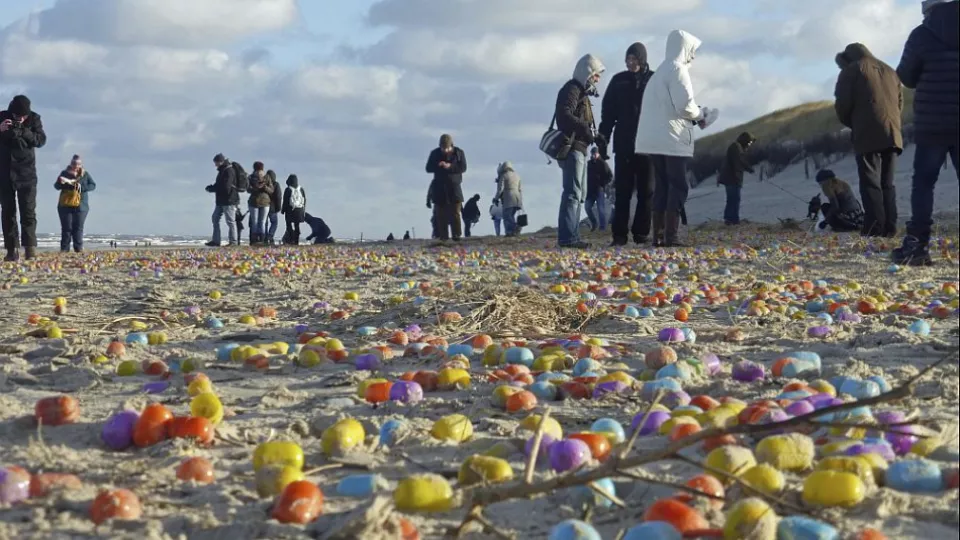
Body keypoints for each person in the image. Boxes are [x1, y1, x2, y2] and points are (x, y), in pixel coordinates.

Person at [635, 30, 718, 247]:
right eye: (692, 51)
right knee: (679, 185)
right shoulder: (678, 71)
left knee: (662, 185)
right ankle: (671, 236)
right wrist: (701, 115)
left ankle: (659, 236)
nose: (693, 56)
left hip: (652, 139)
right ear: (685, 49)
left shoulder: (660, 72)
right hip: (672, 138)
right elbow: (685, 106)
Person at [892, 0, 959, 266]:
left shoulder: (921, 34)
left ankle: (918, 246)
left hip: (933, 122)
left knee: (924, 184)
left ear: (926, 9)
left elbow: (906, 76)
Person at [834, 42, 904, 238]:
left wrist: (854, 123)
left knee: (870, 181)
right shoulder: (890, 70)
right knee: (887, 183)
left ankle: (875, 227)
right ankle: (890, 226)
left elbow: (842, 105)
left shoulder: (851, 70)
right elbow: (899, 103)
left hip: (867, 132)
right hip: (893, 132)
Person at [599, 42, 656, 246]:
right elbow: (608, 115)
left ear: (642, 60)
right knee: (622, 191)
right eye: (628, 59)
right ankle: (619, 235)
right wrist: (602, 139)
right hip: (623, 144)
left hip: (648, 144)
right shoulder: (618, 81)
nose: (630, 63)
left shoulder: (654, 80)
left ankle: (641, 233)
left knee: (647, 191)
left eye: (634, 59)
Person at [555, 53, 606, 249]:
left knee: (579, 193)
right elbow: (564, 115)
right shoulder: (572, 89)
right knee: (573, 193)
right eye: (596, 75)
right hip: (573, 148)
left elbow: (580, 120)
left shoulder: (581, 93)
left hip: (581, 148)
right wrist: (585, 130)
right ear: (587, 73)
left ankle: (572, 235)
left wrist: (596, 136)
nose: (598, 79)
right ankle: (568, 237)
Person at [0, 95, 46, 261]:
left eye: (23, 116)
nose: (20, 118)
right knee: (8, 213)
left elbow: (40, 140)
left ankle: (30, 248)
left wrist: (24, 130)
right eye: (17, 116)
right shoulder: (2, 117)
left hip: (27, 174)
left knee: (28, 212)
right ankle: (11, 250)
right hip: (4, 173)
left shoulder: (34, 119)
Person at [425, 134, 467, 241]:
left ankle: (456, 235)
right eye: (443, 148)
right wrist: (438, 165)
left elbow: (463, 167)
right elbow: (428, 168)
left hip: (454, 186)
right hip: (439, 187)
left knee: (455, 212)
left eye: (447, 148)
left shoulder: (459, 153)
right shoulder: (435, 153)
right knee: (440, 214)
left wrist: (450, 166)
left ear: (451, 146)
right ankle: (443, 237)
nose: (445, 150)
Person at [53, 155, 96, 253]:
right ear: (70, 163)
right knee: (66, 227)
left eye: (78, 164)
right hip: (65, 204)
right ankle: (64, 248)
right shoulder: (64, 173)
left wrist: (81, 187)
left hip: (81, 205)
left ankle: (78, 248)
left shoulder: (85, 174)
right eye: (74, 163)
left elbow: (93, 185)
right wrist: (62, 182)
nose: (76, 166)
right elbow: (56, 186)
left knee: (78, 227)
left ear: (81, 165)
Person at [717, 132, 756, 226]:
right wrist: (748, 170)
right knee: (734, 199)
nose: (749, 144)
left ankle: (731, 219)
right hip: (732, 178)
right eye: (749, 142)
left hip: (731, 178)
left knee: (733, 199)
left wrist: (749, 169)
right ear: (745, 140)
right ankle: (732, 220)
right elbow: (738, 163)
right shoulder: (736, 147)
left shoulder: (736, 147)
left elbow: (740, 161)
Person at [205, 153, 239, 247]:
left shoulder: (229, 170)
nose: (215, 165)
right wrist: (211, 188)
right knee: (215, 218)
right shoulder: (222, 171)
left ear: (220, 161)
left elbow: (226, 187)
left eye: (216, 162)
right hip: (221, 201)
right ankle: (216, 241)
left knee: (230, 221)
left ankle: (233, 242)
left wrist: (213, 189)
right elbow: (219, 184)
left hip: (229, 200)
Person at [585, 146, 613, 232]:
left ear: (598, 153)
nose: (594, 155)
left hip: (599, 190)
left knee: (601, 209)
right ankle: (594, 223)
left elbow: (610, 176)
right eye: (592, 153)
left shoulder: (603, 163)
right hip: (589, 190)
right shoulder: (588, 164)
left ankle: (602, 227)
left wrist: (602, 185)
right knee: (587, 207)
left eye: (595, 153)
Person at [247, 162, 275, 245]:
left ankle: (256, 240)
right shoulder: (266, 177)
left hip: (257, 201)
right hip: (263, 202)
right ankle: (260, 240)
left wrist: (262, 187)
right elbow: (271, 190)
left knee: (256, 222)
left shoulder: (252, 177)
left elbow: (248, 189)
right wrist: (260, 187)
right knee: (261, 222)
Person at [494, 161, 523, 237]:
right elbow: (520, 189)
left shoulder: (504, 175)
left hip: (508, 197)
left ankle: (511, 230)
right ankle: (513, 231)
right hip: (517, 198)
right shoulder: (517, 175)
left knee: (507, 216)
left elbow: (500, 189)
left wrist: (496, 198)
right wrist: (521, 201)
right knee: (511, 215)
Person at [281, 174, 306, 245]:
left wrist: (283, 210)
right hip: (300, 210)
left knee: (288, 225)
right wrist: (303, 210)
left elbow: (285, 201)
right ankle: (296, 241)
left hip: (290, 210)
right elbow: (304, 200)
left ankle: (291, 238)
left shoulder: (288, 189)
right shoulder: (301, 189)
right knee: (297, 225)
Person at [266, 170, 281, 245]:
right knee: (274, 223)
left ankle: (264, 237)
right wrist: (278, 208)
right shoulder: (276, 184)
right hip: (273, 207)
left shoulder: (265, 184)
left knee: (264, 223)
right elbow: (278, 197)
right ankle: (270, 236)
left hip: (264, 206)